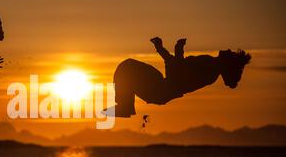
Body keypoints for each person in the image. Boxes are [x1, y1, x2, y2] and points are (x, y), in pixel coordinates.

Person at [104, 37, 251, 117]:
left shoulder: (210, 70)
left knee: (127, 67)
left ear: (228, 63)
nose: (228, 50)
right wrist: (162, 49)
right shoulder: (209, 64)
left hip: (160, 90)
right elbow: (176, 67)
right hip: (161, 86)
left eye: (231, 54)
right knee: (128, 67)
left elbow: (178, 73)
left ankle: (125, 107)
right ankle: (125, 106)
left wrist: (177, 49)